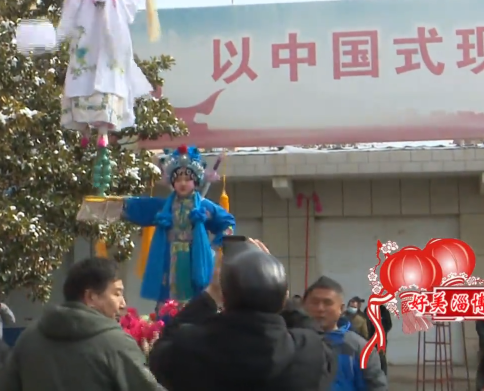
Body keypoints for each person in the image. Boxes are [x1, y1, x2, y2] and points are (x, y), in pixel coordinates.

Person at [150, 242, 337, 391]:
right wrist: (278, 287)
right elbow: (322, 342)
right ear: (282, 298)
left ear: (224, 297)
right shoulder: (309, 353)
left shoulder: (191, 347)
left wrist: (210, 294)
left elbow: (161, 352)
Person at [56, 0, 155, 148]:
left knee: (108, 73)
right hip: (87, 26)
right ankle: (83, 127)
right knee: (83, 71)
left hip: (109, 29)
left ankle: (103, 129)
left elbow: (132, 0)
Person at [0, 257, 159, 391]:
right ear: (91, 297)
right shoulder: (116, 344)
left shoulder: (28, 338)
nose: (123, 303)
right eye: (116, 294)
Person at [122, 145, 235, 303]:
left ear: (195, 182)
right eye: (178, 179)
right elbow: (140, 207)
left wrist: (215, 247)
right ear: (172, 182)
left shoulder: (204, 206)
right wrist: (118, 205)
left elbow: (228, 223)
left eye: (187, 179)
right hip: (169, 254)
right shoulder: (164, 207)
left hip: (195, 256)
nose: (182, 183)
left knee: (194, 297)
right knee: (169, 298)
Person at [303, 276, 387, 391]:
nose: (320, 308)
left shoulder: (359, 347)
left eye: (327, 303)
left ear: (341, 309)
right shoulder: (291, 342)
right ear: (304, 306)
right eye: (314, 302)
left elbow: (376, 386)